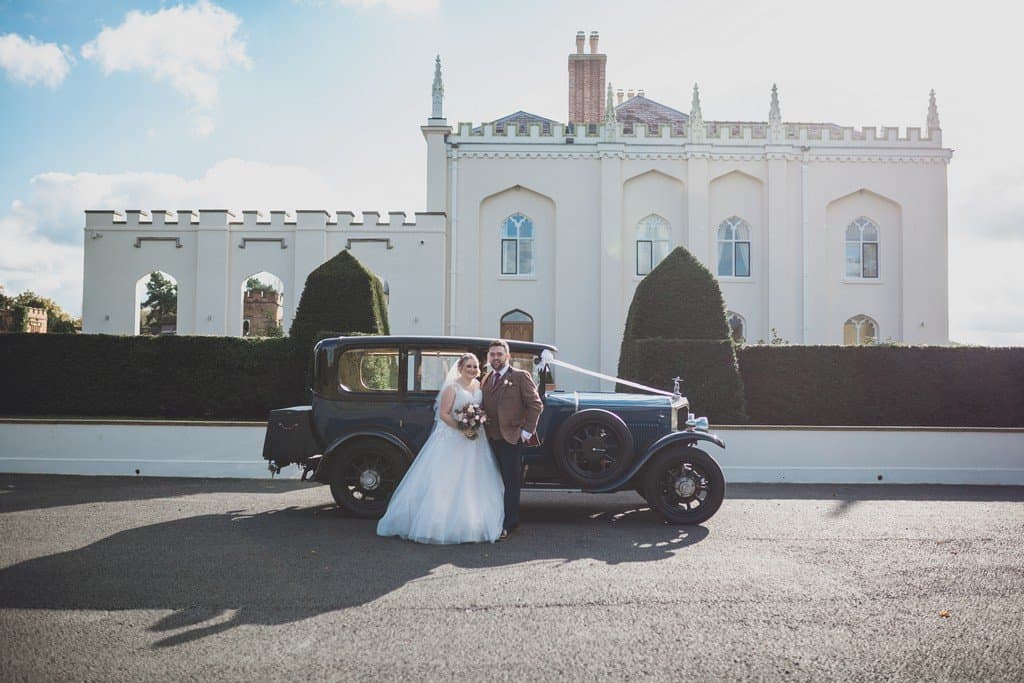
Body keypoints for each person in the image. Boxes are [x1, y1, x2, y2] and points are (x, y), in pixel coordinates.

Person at [377, 353, 505, 544]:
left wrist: (475, 424)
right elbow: (444, 414)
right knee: (446, 479)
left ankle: (471, 524)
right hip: (453, 438)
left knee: (473, 479)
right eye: (468, 366)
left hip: (475, 440)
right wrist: (462, 428)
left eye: (475, 367)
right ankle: (436, 525)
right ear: (460, 368)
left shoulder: (478, 386)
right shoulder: (452, 387)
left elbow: (480, 409)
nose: (472, 370)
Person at [481, 339, 544, 541]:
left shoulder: (519, 376)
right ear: (489, 357)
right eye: (493, 354)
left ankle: (510, 523)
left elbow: (536, 405)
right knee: (491, 482)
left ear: (508, 356)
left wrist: (526, 431)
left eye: (500, 354)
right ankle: (492, 518)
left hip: (510, 438)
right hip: (488, 438)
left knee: (511, 482)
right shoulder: (486, 378)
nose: (496, 358)